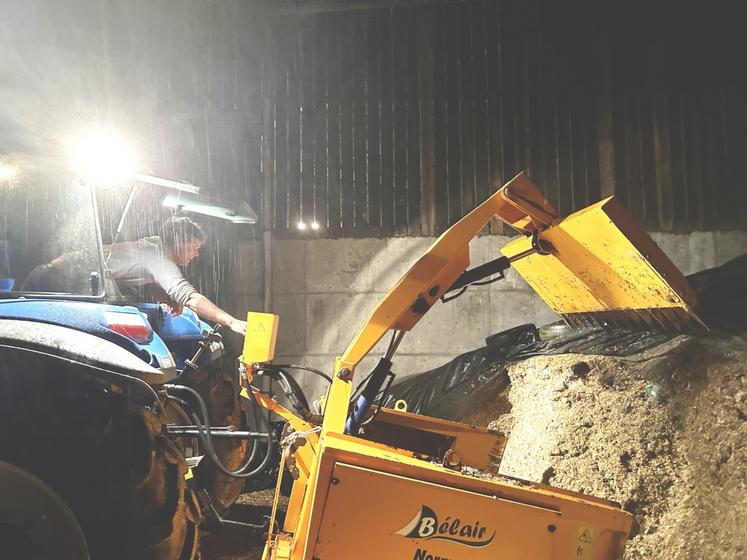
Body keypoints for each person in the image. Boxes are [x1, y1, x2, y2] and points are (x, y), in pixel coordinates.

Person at [107, 216, 247, 335]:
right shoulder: (158, 255)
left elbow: (154, 281)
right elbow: (190, 297)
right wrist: (232, 322)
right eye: (194, 247)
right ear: (177, 238)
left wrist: (167, 296)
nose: (196, 254)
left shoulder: (153, 248)